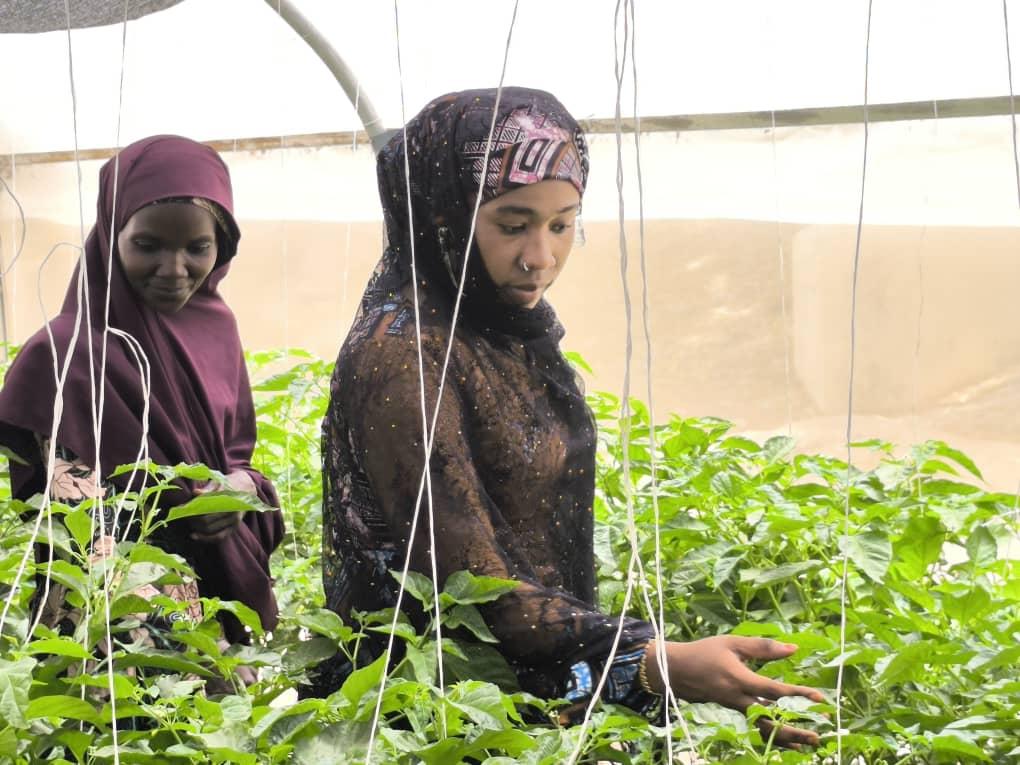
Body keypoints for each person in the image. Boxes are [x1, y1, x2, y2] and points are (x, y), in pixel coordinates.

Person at [315, 88, 823, 746]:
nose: (541, 256)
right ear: (440, 216)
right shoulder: (404, 358)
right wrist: (657, 661)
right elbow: (468, 585)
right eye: (512, 222)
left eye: (562, 224)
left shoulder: (503, 334)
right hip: (425, 722)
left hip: (513, 710)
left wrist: (665, 677)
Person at [0, 135, 284, 656]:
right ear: (111, 237)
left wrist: (238, 490)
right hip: (119, 638)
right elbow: (87, 533)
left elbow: (236, 458)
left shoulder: (216, 330)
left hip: (218, 620)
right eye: (148, 245)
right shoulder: (68, 354)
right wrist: (194, 644)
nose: (175, 271)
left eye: (198, 247)